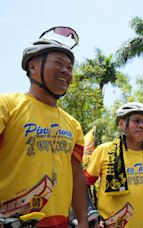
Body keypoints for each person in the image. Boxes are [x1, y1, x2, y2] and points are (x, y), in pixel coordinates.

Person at [0, 26, 88, 227]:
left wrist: (83, 219)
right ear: (33, 67)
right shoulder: (7, 105)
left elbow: (76, 175)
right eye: (59, 63)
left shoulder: (73, 124)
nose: (66, 71)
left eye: (70, 67)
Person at [84, 102, 143, 228]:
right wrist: (90, 212)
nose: (141, 125)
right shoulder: (104, 150)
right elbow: (83, 183)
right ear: (121, 124)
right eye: (136, 121)